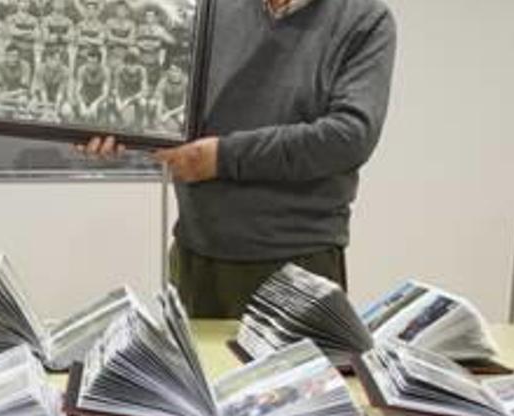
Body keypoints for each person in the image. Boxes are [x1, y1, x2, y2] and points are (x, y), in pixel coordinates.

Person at [79, 0, 396, 318]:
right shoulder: (211, 10)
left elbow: (349, 137)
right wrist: (120, 129)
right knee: (196, 368)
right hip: (196, 257)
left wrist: (222, 157)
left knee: (291, 369)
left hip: (297, 266)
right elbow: (170, 107)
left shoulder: (364, 20)